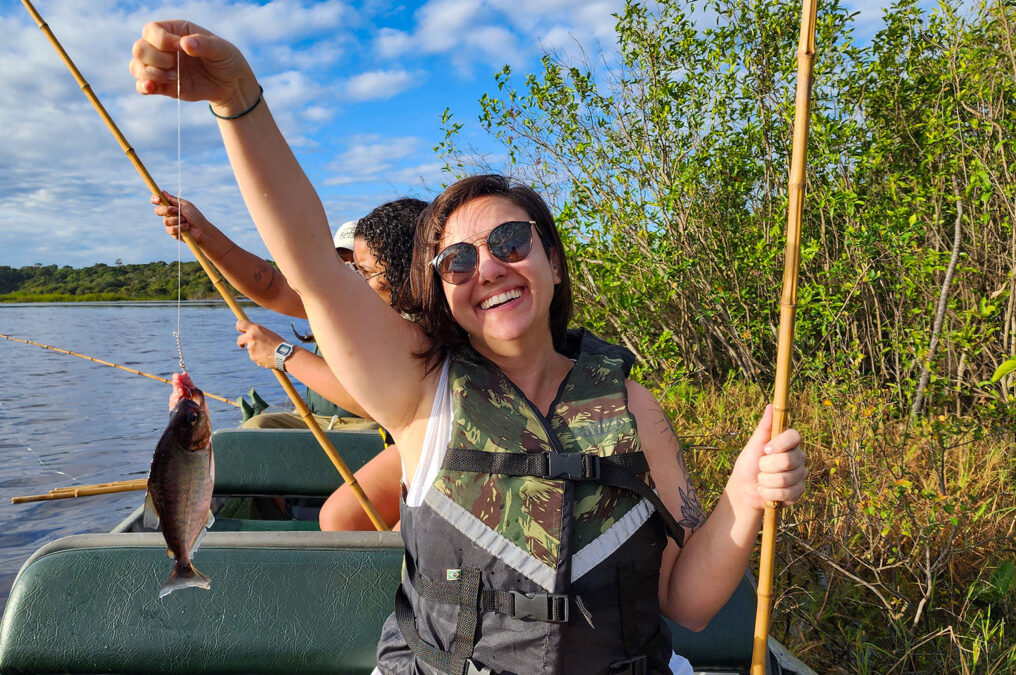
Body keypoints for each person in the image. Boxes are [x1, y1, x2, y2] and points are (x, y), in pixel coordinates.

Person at [131, 22, 807, 675]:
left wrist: (743, 497)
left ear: (554, 261)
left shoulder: (631, 406)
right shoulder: (421, 390)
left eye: (510, 242)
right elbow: (307, 259)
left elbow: (685, 600)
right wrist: (236, 99)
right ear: (443, 290)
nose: (487, 268)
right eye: (456, 260)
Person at [153, 190, 427, 530]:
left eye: (364, 270)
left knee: (366, 524)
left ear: (407, 273)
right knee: (338, 517)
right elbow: (274, 287)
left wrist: (283, 354)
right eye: (349, 268)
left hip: (434, 443)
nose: (352, 280)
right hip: (403, 445)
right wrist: (203, 233)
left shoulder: (425, 326)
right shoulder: (366, 303)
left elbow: (380, 401)